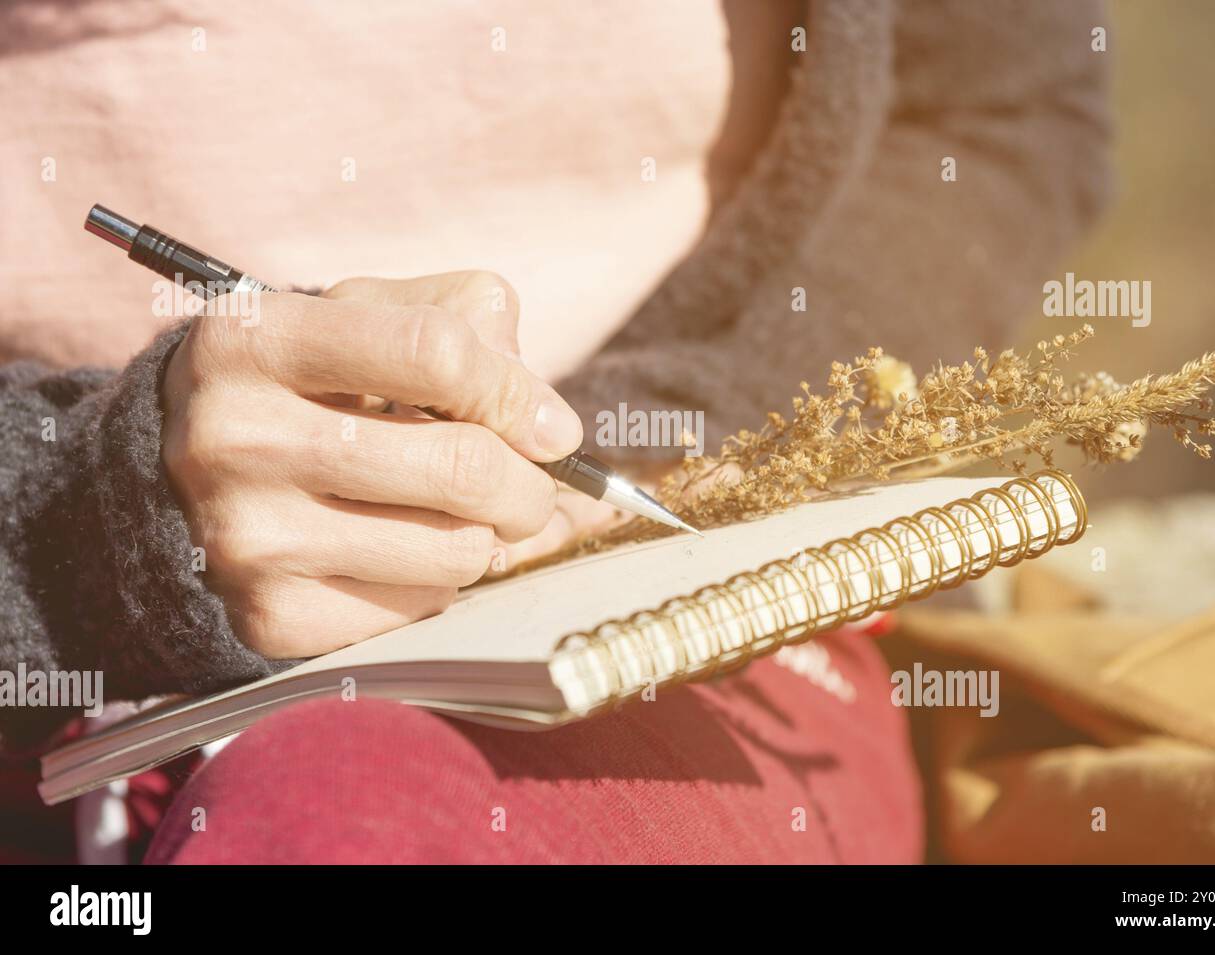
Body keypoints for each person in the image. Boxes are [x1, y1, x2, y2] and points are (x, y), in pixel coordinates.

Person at [0, 0, 1109, 862]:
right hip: (56, 664)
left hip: (679, 582)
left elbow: (995, 114)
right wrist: (97, 515)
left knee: (348, 814)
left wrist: (689, 412)